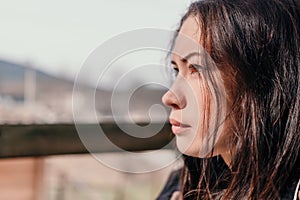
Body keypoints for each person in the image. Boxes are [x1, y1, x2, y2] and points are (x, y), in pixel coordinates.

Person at [158, 0, 300, 199]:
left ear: (263, 81)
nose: (169, 97)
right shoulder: (186, 184)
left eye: (196, 69)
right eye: (177, 70)